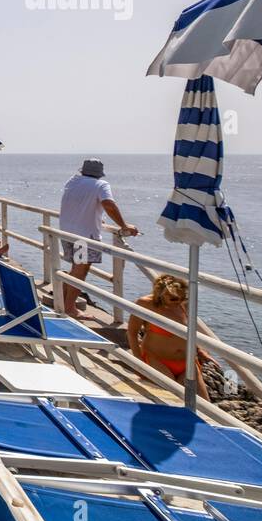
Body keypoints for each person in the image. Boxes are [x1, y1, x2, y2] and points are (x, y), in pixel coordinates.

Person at [58, 159, 139, 318]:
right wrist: (123, 225)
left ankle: (62, 302)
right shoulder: (101, 185)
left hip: (67, 232)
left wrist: (96, 217)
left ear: (83, 170)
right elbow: (108, 204)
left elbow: (79, 204)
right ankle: (69, 308)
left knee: (75, 269)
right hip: (83, 237)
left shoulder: (73, 181)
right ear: (99, 174)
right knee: (80, 271)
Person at [126, 275, 209, 399]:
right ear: (160, 294)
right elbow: (132, 333)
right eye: (174, 299)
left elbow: (190, 331)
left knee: (204, 407)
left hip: (187, 363)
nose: (179, 301)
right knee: (172, 399)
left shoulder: (184, 303)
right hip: (158, 360)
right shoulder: (145, 304)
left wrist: (200, 350)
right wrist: (139, 364)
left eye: (182, 297)